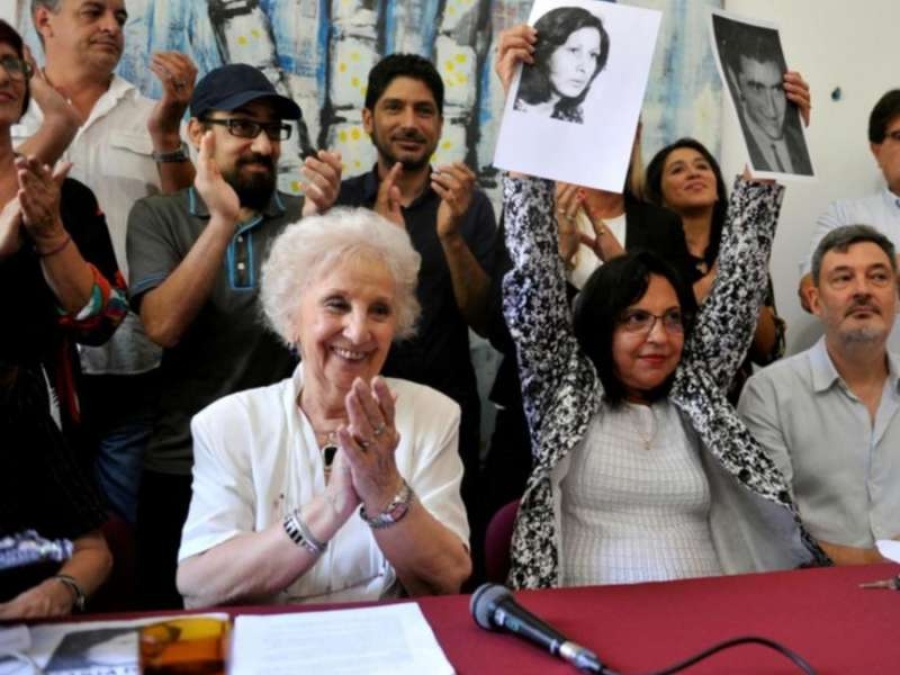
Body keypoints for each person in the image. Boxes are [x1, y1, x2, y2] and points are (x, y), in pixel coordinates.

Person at [127, 63, 342, 609]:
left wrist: (316, 230)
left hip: (282, 465)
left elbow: (322, 346)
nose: (265, 146)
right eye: (244, 126)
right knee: (179, 639)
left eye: (273, 131)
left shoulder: (303, 216)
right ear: (199, 134)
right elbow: (163, 328)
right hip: (181, 465)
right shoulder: (158, 216)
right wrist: (221, 223)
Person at [177, 208, 471, 606]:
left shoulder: (433, 415)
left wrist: (385, 488)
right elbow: (200, 585)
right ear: (291, 317)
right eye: (337, 304)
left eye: (380, 310)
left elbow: (447, 579)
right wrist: (331, 507)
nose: (358, 330)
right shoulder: (230, 423)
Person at [13, 0, 200, 526]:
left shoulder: (152, 116)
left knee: (119, 531)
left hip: (130, 364)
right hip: (31, 370)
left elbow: (188, 223)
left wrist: (168, 137)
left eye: (120, 17)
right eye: (93, 12)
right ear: (43, 19)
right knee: (38, 527)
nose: (111, 27)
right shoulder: (10, 110)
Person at [335, 53, 498, 549]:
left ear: (439, 125)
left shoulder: (467, 206)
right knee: (356, 551)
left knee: (445, 555)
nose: (410, 123)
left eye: (424, 111)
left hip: (447, 411)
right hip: (351, 411)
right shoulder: (341, 205)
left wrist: (450, 237)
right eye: (394, 108)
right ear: (368, 119)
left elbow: (487, 319)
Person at [0, 19, 117, 618]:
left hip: (32, 411)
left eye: (10, 62)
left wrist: (48, 235)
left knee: (68, 559)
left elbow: (104, 317)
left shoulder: (62, 193)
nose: (2, 75)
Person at [739, 225, 900, 566]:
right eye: (842, 278)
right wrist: (877, 561)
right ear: (815, 301)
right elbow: (773, 530)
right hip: (814, 594)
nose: (862, 291)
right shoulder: (770, 394)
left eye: (878, 277)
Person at [645, 138, 788, 402]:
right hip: (668, 403)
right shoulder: (648, 260)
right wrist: (705, 287)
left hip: (737, 406)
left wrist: (741, 280)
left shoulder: (746, 254)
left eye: (702, 166)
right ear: (659, 194)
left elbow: (771, 351)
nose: (693, 173)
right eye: (677, 170)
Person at [797, 89, 900, 349]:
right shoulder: (845, 215)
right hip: (865, 374)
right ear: (876, 151)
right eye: (899, 136)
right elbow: (810, 288)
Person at [716, 17, 812, 175]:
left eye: (777, 88)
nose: (772, 109)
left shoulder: (799, 142)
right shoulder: (737, 147)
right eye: (757, 88)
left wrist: (803, 121)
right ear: (735, 82)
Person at [512, 7, 609, 124]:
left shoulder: (573, 116)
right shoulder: (510, 103)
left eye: (593, 55)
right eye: (574, 50)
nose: (584, 68)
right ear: (545, 53)